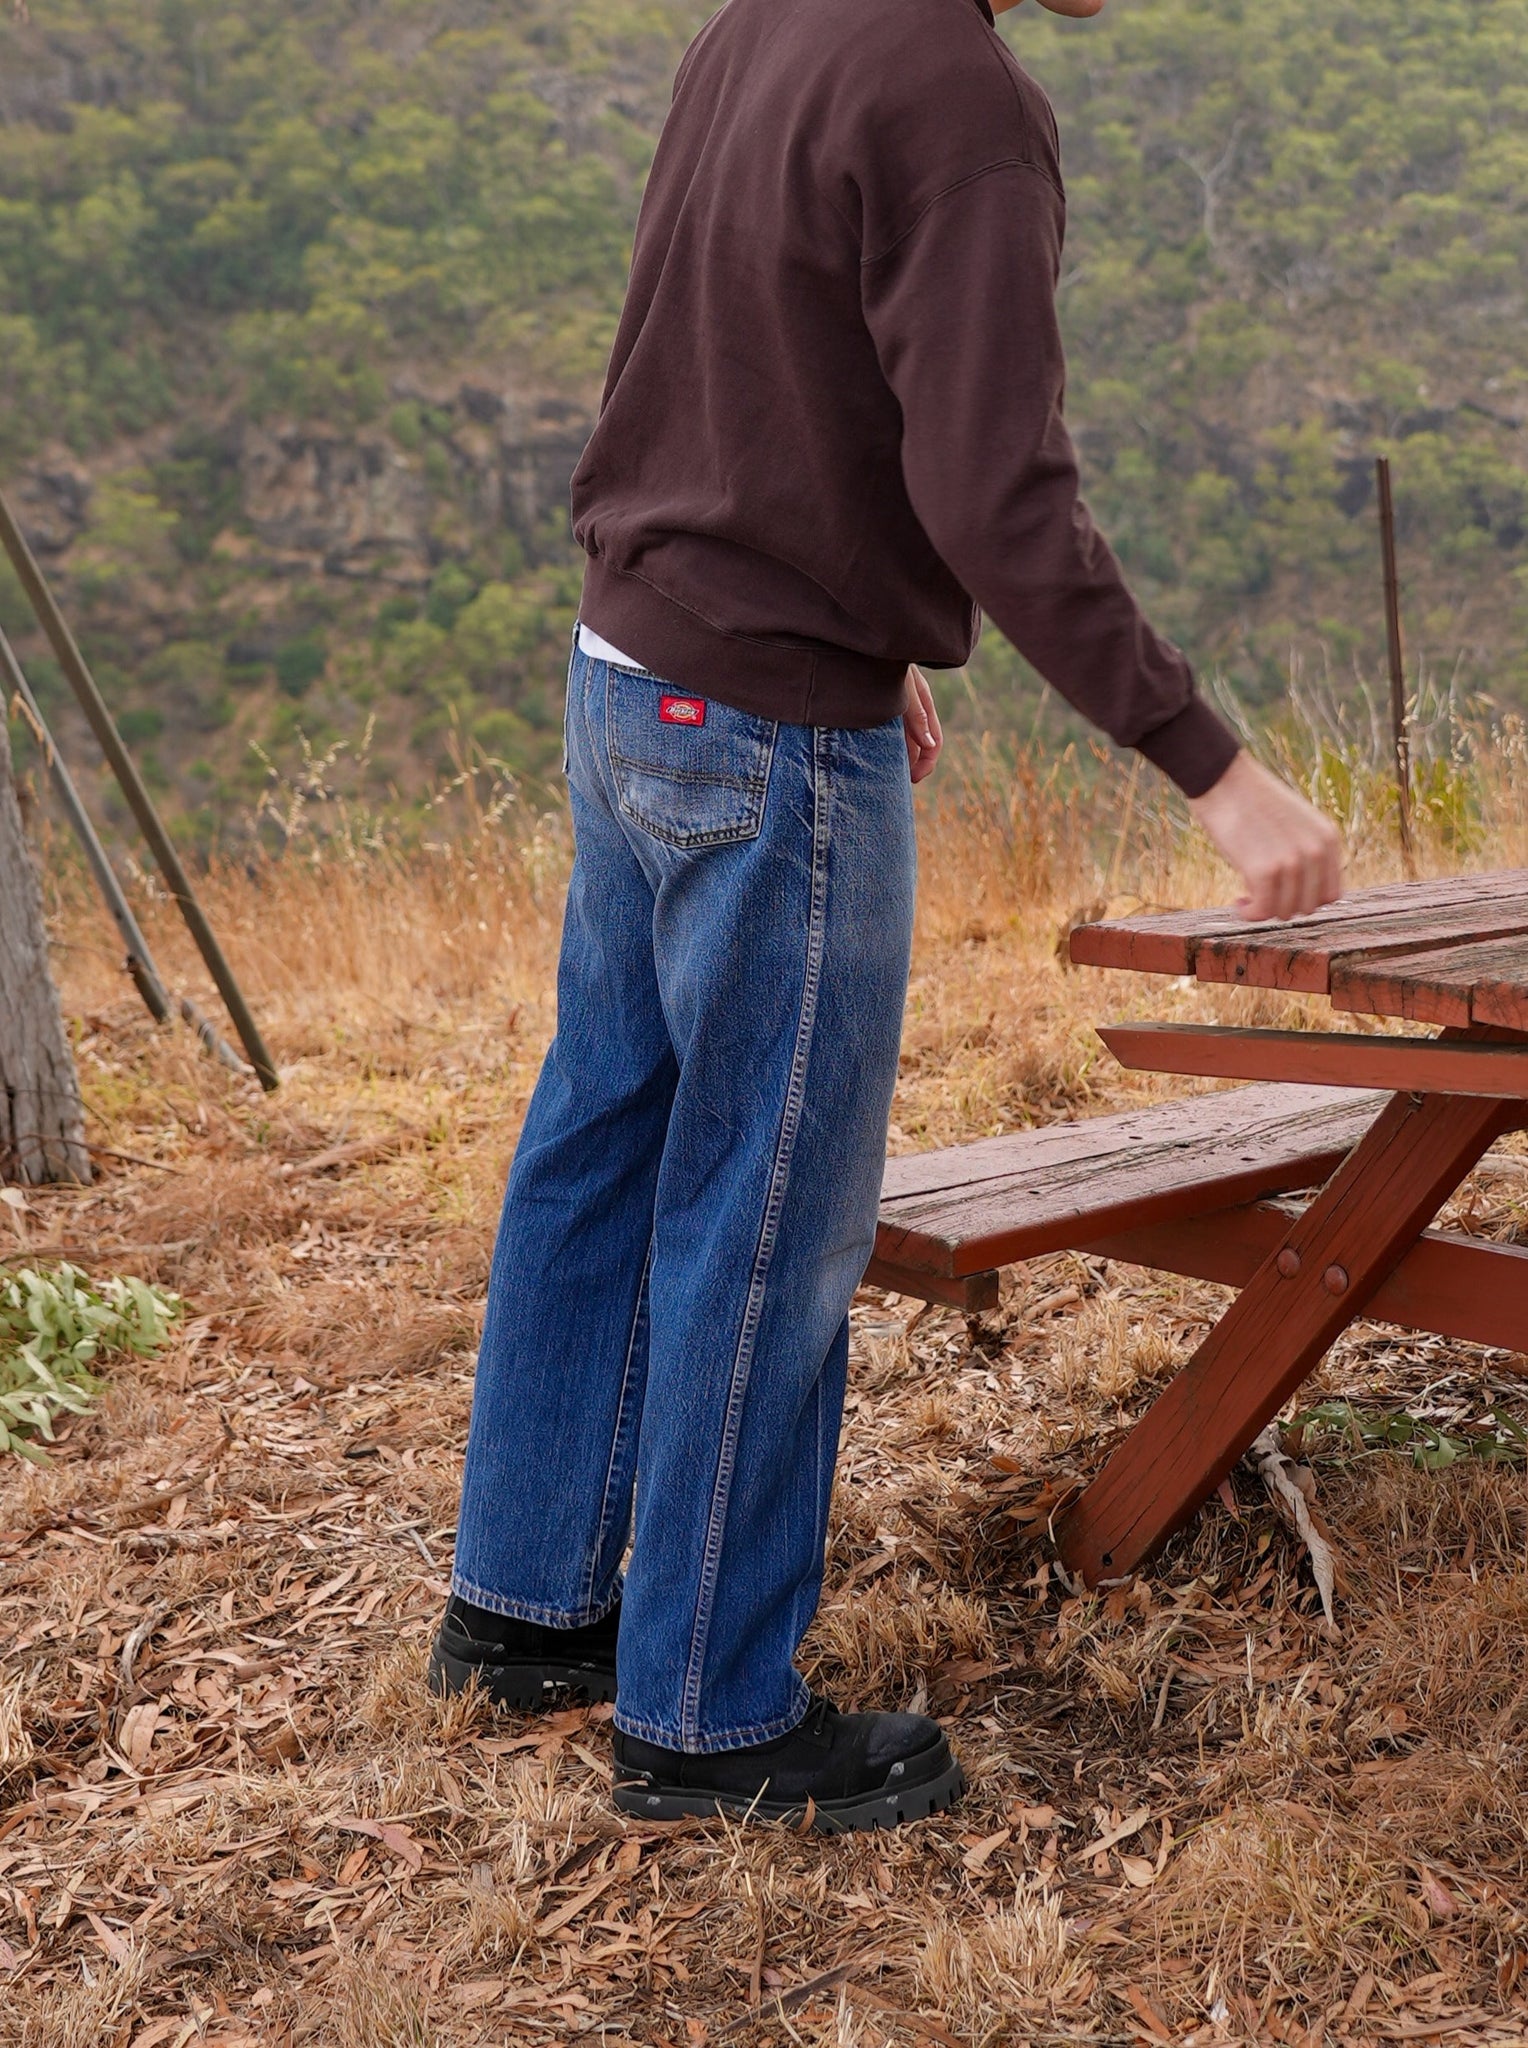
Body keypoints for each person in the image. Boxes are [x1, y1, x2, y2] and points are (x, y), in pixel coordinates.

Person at [430, 0, 1344, 1833]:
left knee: (599, 1139)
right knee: (765, 1217)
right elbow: (1001, 494)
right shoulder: (962, 97)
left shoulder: (768, 16)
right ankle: (703, 1720)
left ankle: (525, 1607)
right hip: (764, 728)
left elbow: (715, 349)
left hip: (630, 665)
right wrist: (1212, 768)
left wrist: (855, 619)